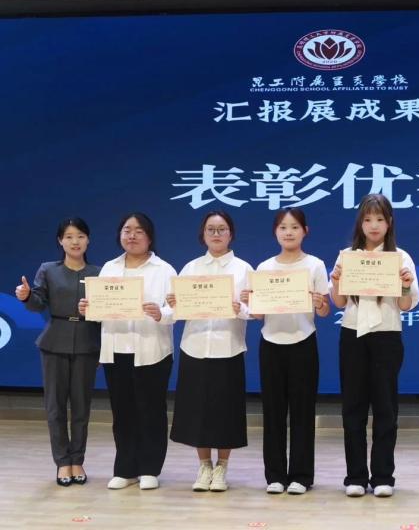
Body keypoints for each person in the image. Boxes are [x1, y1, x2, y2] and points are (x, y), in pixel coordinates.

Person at [330, 194, 419, 497]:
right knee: (353, 408)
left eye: (380, 219)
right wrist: (336, 281)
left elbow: (406, 305)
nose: (374, 225)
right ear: (360, 223)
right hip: (352, 334)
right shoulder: (347, 256)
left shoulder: (400, 258)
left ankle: (383, 476)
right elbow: (339, 301)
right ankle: (355, 476)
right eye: (368, 219)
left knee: (385, 408)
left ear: (389, 222)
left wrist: (404, 285)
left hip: (386, 336)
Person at [79, 212, 174, 491]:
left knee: (151, 411)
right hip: (116, 348)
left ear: (150, 237)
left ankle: (150, 468)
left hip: (152, 349)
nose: (132, 236)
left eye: (139, 231)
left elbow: (177, 308)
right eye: (127, 230)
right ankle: (125, 468)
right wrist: (88, 309)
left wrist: (161, 313)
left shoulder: (164, 270)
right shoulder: (109, 268)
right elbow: (100, 308)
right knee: (122, 412)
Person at [247, 207, 330, 495]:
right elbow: (257, 315)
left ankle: (301, 476)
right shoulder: (264, 267)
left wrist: (320, 303)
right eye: (283, 227)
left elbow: (324, 310)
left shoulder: (315, 265)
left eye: (295, 227)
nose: (289, 232)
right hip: (271, 343)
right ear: (275, 232)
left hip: (303, 342)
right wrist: (251, 302)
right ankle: (275, 475)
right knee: (273, 412)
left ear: (305, 231)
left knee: (303, 412)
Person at [168, 211, 251, 492]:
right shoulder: (190, 268)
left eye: (222, 229)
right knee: (197, 411)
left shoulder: (243, 269)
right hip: (195, 346)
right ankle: (204, 466)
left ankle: (222, 467)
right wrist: (173, 303)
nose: (216, 234)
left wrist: (241, 309)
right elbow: (175, 311)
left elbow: (256, 310)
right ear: (203, 234)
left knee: (226, 411)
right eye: (211, 229)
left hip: (228, 347)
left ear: (231, 234)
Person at [15, 217, 101, 486]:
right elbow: (37, 303)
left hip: (87, 342)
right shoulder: (48, 270)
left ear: (88, 240)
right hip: (54, 341)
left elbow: (108, 313)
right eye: (69, 237)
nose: (75, 242)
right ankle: (63, 462)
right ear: (60, 241)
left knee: (82, 406)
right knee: (55, 406)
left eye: (80, 236)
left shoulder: (99, 273)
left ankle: (78, 460)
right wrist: (26, 296)